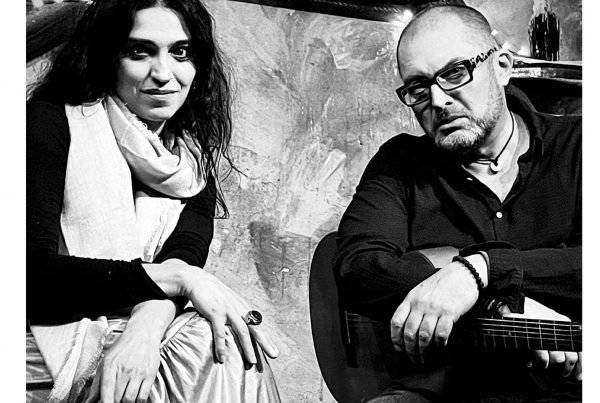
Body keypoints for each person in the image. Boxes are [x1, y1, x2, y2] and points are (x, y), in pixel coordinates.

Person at [26, 0, 280, 402]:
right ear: (108, 57)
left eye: (181, 52)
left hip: (133, 325)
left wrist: (146, 325)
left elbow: (181, 262)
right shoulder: (50, 122)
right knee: (206, 347)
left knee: (224, 340)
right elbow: (30, 277)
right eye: (139, 51)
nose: (163, 74)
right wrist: (180, 279)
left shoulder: (190, 164)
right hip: (47, 331)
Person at [334, 4, 581, 402]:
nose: (437, 100)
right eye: (418, 87)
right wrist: (500, 301)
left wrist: (479, 269)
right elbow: (358, 268)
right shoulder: (400, 164)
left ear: (502, 66)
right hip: (438, 390)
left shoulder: (581, 146)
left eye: (454, 73)